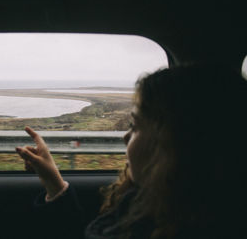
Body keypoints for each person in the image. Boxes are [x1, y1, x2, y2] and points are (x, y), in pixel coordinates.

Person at [15, 65, 247, 239]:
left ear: (175, 143)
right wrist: (52, 181)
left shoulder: (158, 222)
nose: (126, 137)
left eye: (135, 126)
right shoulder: (160, 207)